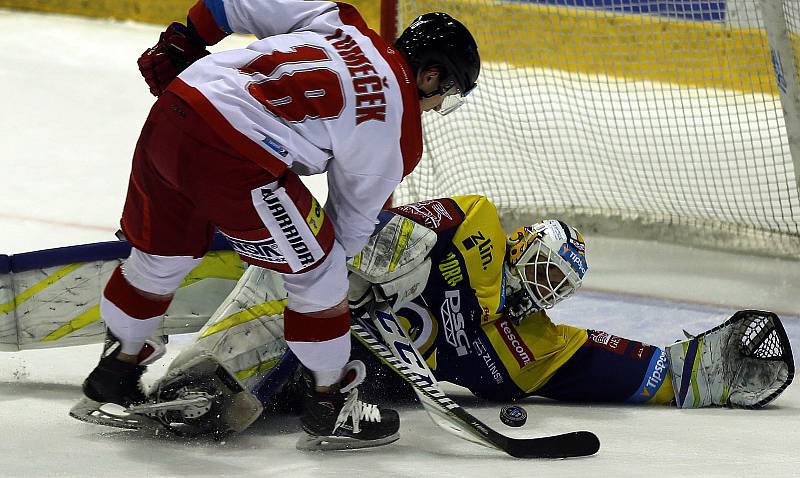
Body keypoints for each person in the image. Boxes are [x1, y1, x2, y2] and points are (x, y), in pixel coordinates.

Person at [69, 0, 481, 451]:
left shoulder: (342, 21)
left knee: (159, 258)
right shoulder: (397, 128)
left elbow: (232, 3)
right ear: (431, 75)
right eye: (448, 94)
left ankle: (117, 369)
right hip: (235, 156)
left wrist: (188, 37)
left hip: (175, 110)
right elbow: (346, 232)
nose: (439, 105)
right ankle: (330, 403)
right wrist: (329, 285)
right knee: (321, 278)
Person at [145, 194, 793, 438]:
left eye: (552, 287)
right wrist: (366, 278)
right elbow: (375, 229)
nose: (537, 289)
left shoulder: (529, 346)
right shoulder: (475, 229)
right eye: (538, 267)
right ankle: (204, 374)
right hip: (322, 300)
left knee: (313, 382)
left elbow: (633, 367)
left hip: (350, 374)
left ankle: (249, 399)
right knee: (306, 285)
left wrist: (704, 369)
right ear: (519, 245)